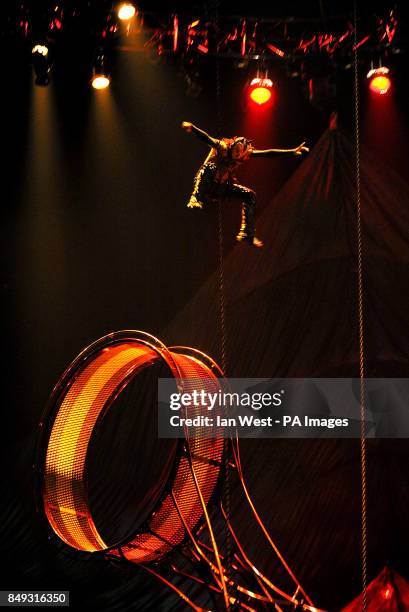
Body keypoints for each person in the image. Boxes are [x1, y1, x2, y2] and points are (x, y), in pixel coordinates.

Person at [181, 121, 309, 248]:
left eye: (240, 152)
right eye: (236, 150)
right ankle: (195, 198)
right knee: (210, 167)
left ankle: (247, 232)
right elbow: (207, 138)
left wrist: (292, 151)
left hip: (220, 188)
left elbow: (268, 153)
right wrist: (193, 128)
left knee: (249, 195)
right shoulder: (223, 147)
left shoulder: (244, 154)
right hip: (206, 183)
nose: (237, 154)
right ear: (233, 146)